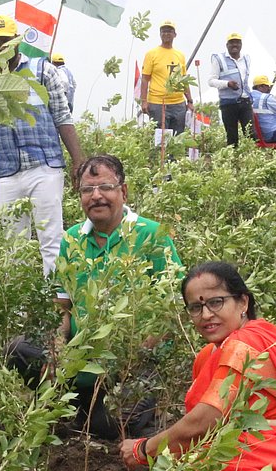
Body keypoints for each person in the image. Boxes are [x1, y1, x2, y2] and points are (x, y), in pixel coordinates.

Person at [118, 262, 276, 471]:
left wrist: (143, 450)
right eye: (196, 307)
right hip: (232, 464)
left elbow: (203, 423)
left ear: (243, 302)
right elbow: (203, 440)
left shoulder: (246, 343)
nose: (206, 314)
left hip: (270, 470)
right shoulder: (209, 355)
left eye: (216, 302)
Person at [11, 155, 181, 440]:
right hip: (81, 359)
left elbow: (171, 308)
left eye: (105, 187)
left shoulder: (152, 235)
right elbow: (62, 307)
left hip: (130, 363)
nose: (96, 196)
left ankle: (91, 414)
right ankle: (75, 404)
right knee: (19, 349)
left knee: (118, 423)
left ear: (123, 191)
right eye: (87, 190)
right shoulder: (72, 238)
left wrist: (133, 356)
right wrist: (56, 350)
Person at [0, 14, 85, 276]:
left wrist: (79, 161)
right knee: (14, 246)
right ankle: (20, 303)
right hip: (7, 173)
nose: (0, 48)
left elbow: (62, 117)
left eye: (6, 41)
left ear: (17, 42)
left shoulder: (43, 71)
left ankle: (56, 297)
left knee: (51, 240)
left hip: (44, 167)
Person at [139, 20, 193, 137]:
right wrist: (144, 101)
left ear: (175, 34)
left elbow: (184, 80)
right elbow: (145, 79)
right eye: (163, 31)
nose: (166, 34)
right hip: (158, 103)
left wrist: (189, 101)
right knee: (161, 139)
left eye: (169, 31)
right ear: (160, 34)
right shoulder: (151, 54)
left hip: (178, 104)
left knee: (178, 138)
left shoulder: (180, 55)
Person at [209, 32, 253, 146]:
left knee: (251, 134)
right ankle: (233, 156)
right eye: (232, 42)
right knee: (232, 137)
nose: (235, 45)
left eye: (237, 42)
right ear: (227, 45)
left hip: (245, 101)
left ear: (241, 44)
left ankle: (251, 154)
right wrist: (227, 84)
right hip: (229, 103)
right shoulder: (219, 59)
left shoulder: (246, 59)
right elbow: (211, 81)